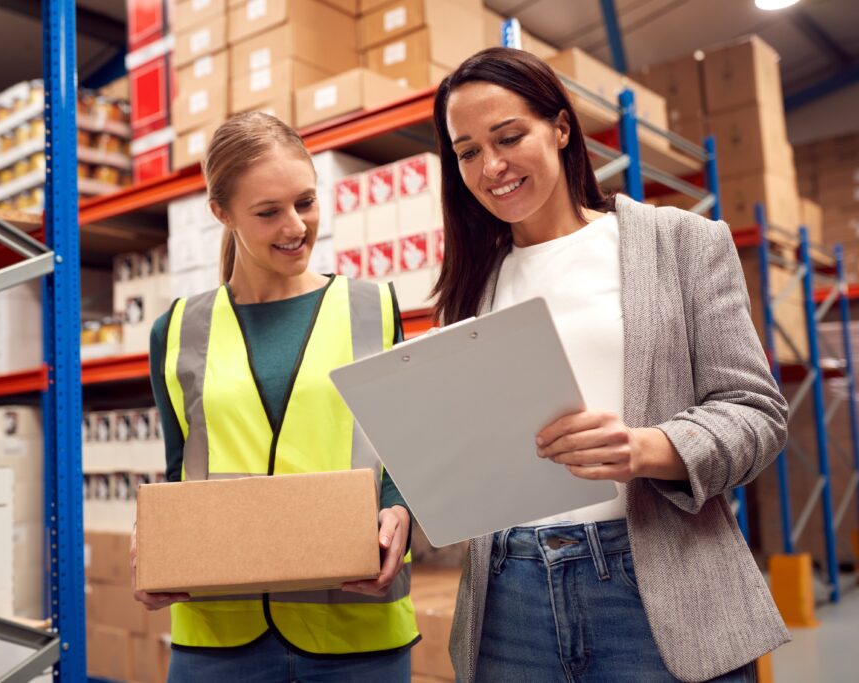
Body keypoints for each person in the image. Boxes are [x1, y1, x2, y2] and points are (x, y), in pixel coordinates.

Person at [432, 47, 789, 683]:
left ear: (562, 129)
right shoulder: (471, 284)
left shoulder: (681, 242)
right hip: (510, 595)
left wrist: (649, 448)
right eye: (466, 152)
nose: (491, 166)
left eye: (509, 137)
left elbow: (756, 412)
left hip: (649, 586)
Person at [129, 112, 420, 683]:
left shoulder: (371, 308)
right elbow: (179, 473)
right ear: (222, 212)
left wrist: (400, 512)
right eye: (268, 212)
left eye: (306, 203)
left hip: (356, 629)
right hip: (218, 634)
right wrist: (156, 544)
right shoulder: (178, 329)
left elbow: (399, 459)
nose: (296, 226)